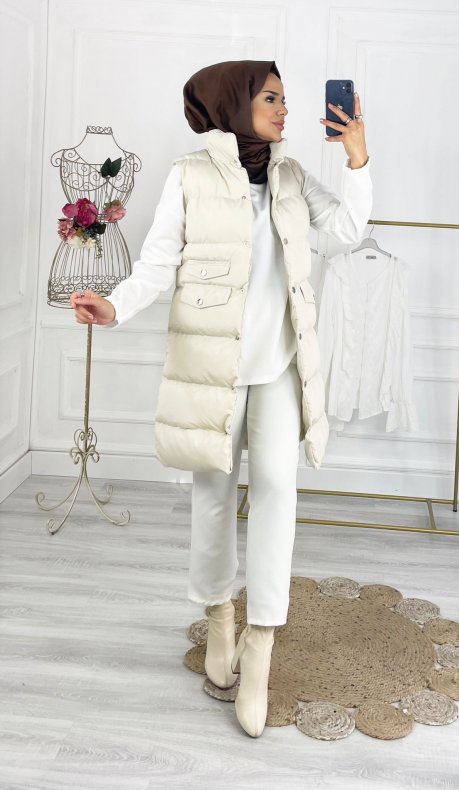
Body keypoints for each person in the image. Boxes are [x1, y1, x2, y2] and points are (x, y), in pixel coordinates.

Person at [69, 60, 372, 738]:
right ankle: (220, 619)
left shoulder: (293, 178)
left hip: (279, 369)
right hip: (213, 369)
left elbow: (348, 232)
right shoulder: (190, 176)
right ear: (232, 104)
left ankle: (260, 645)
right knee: (211, 497)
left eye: (285, 100)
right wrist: (114, 306)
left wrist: (357, 158)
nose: (285, 110)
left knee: (277, 492)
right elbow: (158, 263)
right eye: (271, 98)